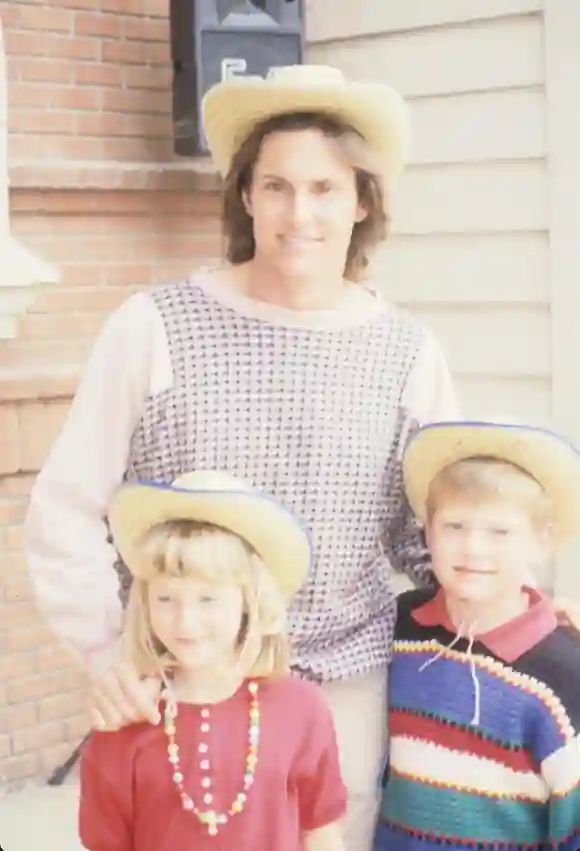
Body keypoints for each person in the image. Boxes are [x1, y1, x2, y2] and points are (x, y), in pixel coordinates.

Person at [25, 65, 460, 851]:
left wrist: (522, 607)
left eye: (325, 188)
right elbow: (66, 504)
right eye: (278, 186)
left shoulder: (406, 354)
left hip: (338, 685)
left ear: (362, 201)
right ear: (247, 196)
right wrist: (103, 653)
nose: (301, 212)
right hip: (177, 672)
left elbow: (435, 533)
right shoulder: (153, 327)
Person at [79, 469, 347, 851]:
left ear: (248, 601)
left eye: (208, 599)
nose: (186, 622)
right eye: (166, 598)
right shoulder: (123, 728)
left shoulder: (303, 710)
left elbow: (321, 832)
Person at [373, 419, 580, 851]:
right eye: (454, 527)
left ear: (542, 543)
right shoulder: (399, 628)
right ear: (427, 532)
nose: (473, 549)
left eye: (499, 532)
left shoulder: (562, 673)